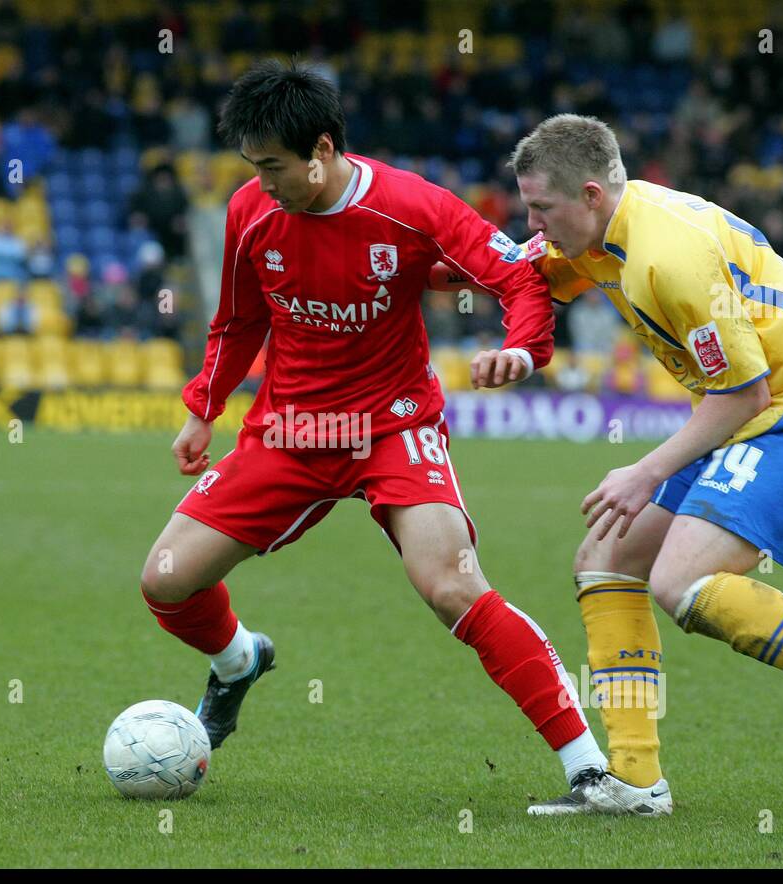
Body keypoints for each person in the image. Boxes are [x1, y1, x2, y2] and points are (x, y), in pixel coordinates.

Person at [434, 114, 783, 815]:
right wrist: (498, 334)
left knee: (682, 580)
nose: (532, 222)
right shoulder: (597, 231)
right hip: (743, 409)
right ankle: (637, 781)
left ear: (588, 193)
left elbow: (746, 392)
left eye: (540, 207)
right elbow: (521, 276)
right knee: (605, 558)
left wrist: (643, 471)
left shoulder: (668, 255)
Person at [138, 61, 605, 798]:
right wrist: (205, 406)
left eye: (273, 167)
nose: (261, 183)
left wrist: (523, 347)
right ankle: (238, 661)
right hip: (290, 428)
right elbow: (238, 318)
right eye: (252, 167)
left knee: (451, 584)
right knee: (164, 582)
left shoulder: (412, 209)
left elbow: (516, 274)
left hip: (394, 426)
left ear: (322, 151)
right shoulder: (249, 214)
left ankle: (589, 769)